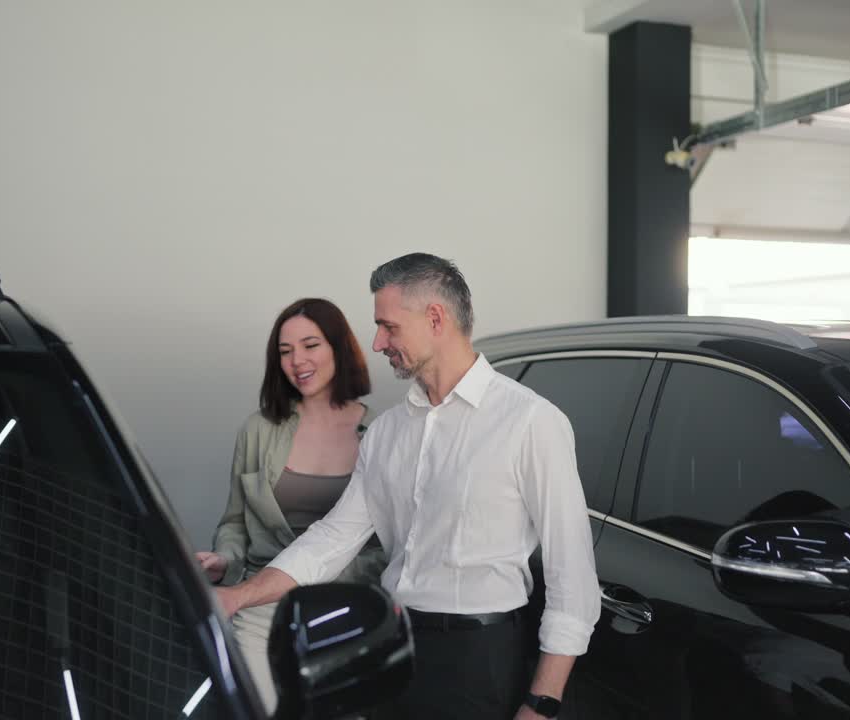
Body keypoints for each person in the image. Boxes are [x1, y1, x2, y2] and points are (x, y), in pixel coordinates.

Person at [214, 253, 600, 720]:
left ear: (435, 317)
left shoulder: (531, 423)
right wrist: (239, 595)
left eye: (388, 326)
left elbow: (573, 583)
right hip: (391, 651)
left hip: (479, 663)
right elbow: (332, 539)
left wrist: (541, 705)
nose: (377, 342)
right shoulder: (387, 432)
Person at [195, 297, 386, 713]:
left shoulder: (382, 434)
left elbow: (387, 547)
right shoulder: (259, 430)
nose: (297, 360)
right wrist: (225, 561)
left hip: (344, 613)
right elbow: (234, 524)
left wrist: (320, 577)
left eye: (310, 345)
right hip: (262, 609)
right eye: (285, 351)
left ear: (338, 347)